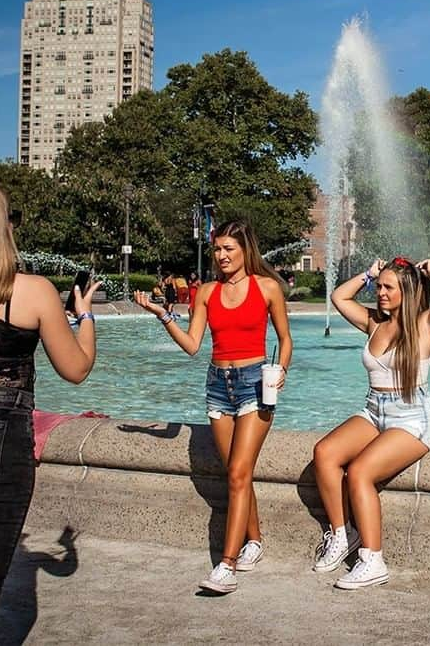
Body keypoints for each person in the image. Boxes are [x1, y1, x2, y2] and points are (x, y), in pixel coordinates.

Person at [133, 218, 292, 595]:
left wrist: (280, 370)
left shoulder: (267, 287)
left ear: (245, 250)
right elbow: (192, 345)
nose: (221, 256)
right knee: (236, 474)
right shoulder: (205, 292)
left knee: (238, 471)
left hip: (256, 383)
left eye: (228, 249)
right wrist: (162, 315)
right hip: (218, 387)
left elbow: (285, 340)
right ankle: (254, 540)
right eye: (217, 249)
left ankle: (227, 564)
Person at [0, 182, 100, 640]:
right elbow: (76, 369)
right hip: (2, 452)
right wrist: (84, 317)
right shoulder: (32, 291)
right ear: (3, 227)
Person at [312, 256, 430, 589]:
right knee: (324, 452)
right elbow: (339, 297)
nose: (379, 292)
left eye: (386, 287)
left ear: (407, 290)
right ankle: (342, 535)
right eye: (378, 286)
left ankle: (373, 560)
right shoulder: (374, 323)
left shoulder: (425, 324)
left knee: (360, 472)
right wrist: (366, 274)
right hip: (374, 411)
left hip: (411, 419)